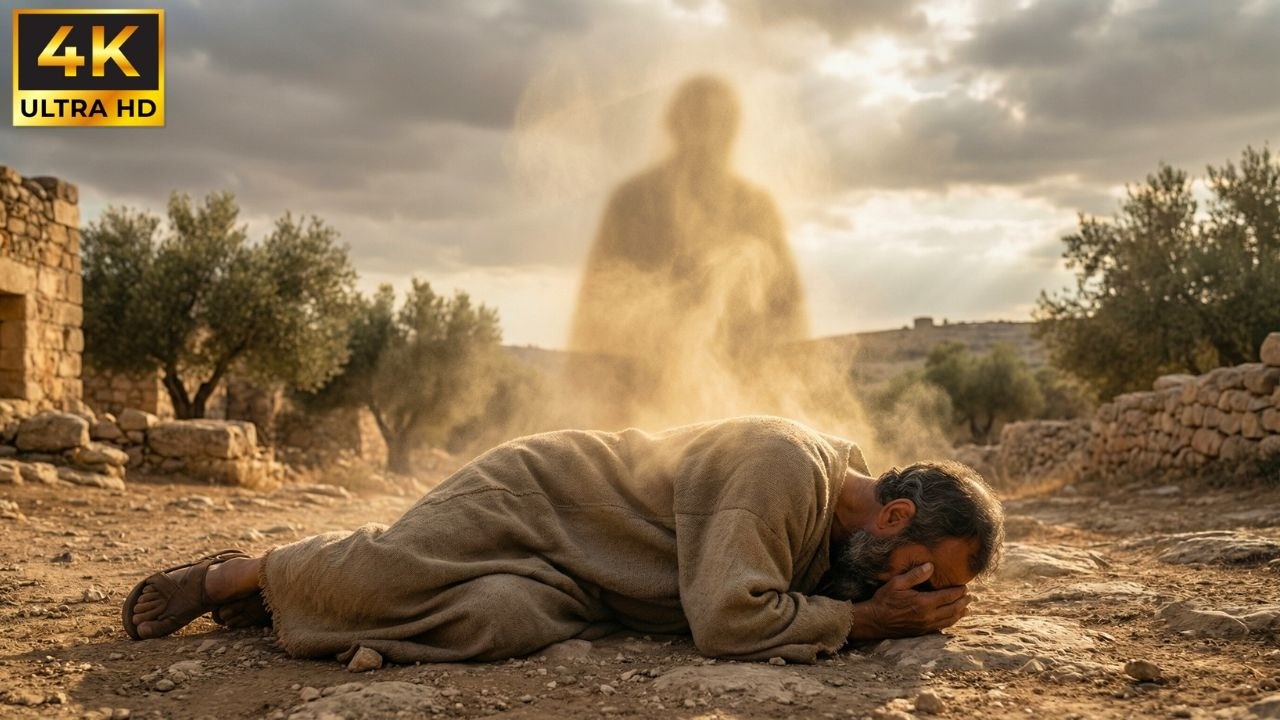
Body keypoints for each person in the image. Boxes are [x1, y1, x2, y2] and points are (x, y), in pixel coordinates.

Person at [123, 415, 1003, 665]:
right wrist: (867, 624)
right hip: (540, 500)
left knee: (497, 621)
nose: (915, 585)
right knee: (392, 569)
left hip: (583, 581)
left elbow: (794, 591)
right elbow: (731, 621)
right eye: (920, 569)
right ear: (892, 515)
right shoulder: (784, 468)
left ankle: (290, 605)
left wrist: (879, 605)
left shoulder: (847, 530)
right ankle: (244, 572)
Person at [567, 75, 808, 426]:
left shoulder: (756, 206)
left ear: (733, 131)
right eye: (700, 121)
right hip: (640, 395)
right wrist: (595, 396)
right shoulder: (631, 201)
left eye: (721, 124)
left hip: (739, 395)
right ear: (676, 126)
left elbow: (787, 305)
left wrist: (785, 389)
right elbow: (595, 304)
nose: (710, 136)